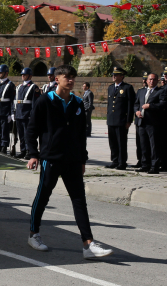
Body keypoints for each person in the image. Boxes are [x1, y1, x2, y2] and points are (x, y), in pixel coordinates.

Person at [26, 64, 113, 259]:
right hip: (51, 158)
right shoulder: (44, 101)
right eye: (67, 76)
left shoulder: (77, 102)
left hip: (73, 159)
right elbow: (31, 129)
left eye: (73, 76)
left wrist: (82, 158)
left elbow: (81, 134)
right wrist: (33, 154)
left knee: (79, 201)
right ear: (57, 79)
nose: (71, 80)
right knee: (43, 196)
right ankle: (34, 234)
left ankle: (88, 245)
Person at [134, 73, 165, 174]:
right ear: (146, 81)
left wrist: (150, 106)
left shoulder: (161, 91)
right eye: (150, 79)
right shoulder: (141, 91)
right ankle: (144, 164)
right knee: (143, 145)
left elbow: (163, 104)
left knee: (154, 146)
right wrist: (136, 111)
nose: (152, 81)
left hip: (153, 122)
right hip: (141, 122)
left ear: (157, 81)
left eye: (154, 80)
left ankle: (154, 166)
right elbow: (136, 104)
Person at [106, 66, 135, 170]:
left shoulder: (127, 88)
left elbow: (130, 105)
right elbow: (109, 104)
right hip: (111, 119)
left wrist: (129, 120)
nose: (113, 76)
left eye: (116, 75)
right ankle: (115, 160)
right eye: (113, 74)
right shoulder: (110, 87)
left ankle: (122, 162)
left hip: (121, 120)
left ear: (122, 76)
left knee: (121, 142)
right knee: (112, 141)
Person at [14, 67, 40, 159]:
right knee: (21, 134)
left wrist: (32, 115)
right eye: (22, 74)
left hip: (27, 114)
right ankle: (23, 150)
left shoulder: (34, 87)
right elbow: (16, 101)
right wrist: (14, 113)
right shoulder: (19, 87)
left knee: (28, 134)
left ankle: (30, 151)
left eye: (24, 75)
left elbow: (35, 103)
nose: (23, 76)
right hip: (19, 114)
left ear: (30, 76)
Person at [0, 64, 15, 154]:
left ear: (6, 73)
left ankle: (4, 145)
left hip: (5, 110)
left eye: (1, 72)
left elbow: (12, 100)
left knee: (4, 129)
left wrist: (11, 112)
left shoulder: (10, 85)